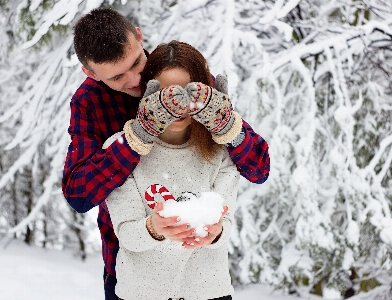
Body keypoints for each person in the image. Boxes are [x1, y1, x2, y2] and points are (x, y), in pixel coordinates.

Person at [62, 7, 270, 300]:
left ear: (138, 35)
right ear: (91, 73)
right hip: (131, 271)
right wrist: (137, 139)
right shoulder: (89, 102)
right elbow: (79, 194)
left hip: (202, 276)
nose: (135, 79)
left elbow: (259, 168)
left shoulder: (178, 75)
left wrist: (228, 126)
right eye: (117, 77)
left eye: (136, 62)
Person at [105, 40, 238, 300]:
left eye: (188, 93)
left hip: (209, 292)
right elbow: (127, 233)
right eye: (167, 94)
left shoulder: (221, 149)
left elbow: (227, 224)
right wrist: (154, 228)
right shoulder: (121, 149)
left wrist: (216, 233)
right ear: (148, 94)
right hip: (140, 294)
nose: (178, 105)